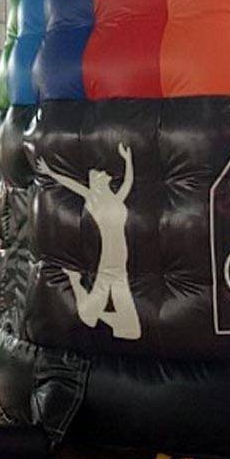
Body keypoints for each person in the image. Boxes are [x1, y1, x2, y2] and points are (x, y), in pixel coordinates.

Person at [37, 143, 141, 340]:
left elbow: (129, 181)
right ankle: (75, 282)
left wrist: (128, 160)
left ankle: (79, 287)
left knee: (131, 331)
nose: (105, 174)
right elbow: (73, 185)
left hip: (121, 261)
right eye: (100, 174)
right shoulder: (93, 199)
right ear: (97, 183)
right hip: (109, 261)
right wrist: (50, 172)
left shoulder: (116, 199)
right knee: (93, 317)